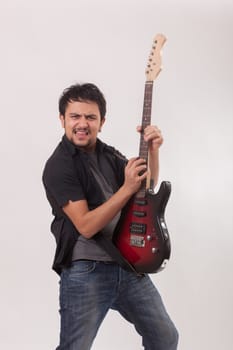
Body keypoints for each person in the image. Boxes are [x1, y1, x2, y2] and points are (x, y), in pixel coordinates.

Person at [42, 82, 178, 350]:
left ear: (101, 122)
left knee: (165, 337)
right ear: (62, 119)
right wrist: (126, 188)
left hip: (125, 264)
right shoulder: (58, 166)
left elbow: (143, 190)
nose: (83, 123)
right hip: (86, 270)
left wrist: (152, 150)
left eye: (90, 117)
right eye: (75, 116)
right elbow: (86, 225)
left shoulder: (107, 154)